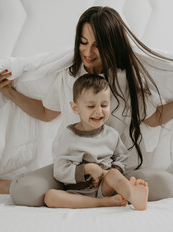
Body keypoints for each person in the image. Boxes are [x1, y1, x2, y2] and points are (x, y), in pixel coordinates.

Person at [0, 6, 173, 207]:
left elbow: (155, 118)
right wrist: (9, 92)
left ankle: (94, 197)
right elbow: (45, 112)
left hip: (112, 173)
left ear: (112, 44)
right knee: (23, 191)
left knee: (165, 183)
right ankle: (69, 193)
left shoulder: (127, 79)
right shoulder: (68, 76)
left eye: (97, 45)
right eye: (83, 42)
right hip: (68, 172)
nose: (88, 52)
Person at [44, 74, 148, 210]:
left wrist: (108, 172)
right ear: (75, 108)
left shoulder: (111, 134)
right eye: (91, 106)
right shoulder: (69, 137)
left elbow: (122, 158)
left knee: (114, 175)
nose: (99, 111)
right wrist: (87, 169)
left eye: (104, 105)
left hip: (105, 188)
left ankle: (134, 198)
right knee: (50, 197)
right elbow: (59, 170)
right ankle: (104, 203)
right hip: (77, 193)